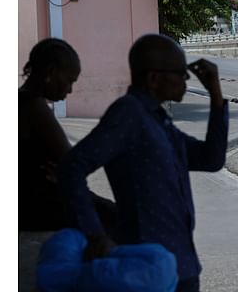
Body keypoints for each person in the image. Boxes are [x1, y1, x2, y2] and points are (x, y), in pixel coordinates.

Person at [57, 34, 228, 292]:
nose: (185, 80)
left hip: (181, 264)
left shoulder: (159, 121)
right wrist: (95, 234)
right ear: (154, 79)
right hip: (146, 269)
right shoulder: (128, 114)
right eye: (180, 74)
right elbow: (72, 166)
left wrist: (216, 95)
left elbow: (210, 159)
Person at [19, 38, 116, 231]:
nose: (70, 89)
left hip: (33, 203)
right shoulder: (34, 106)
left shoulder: (22, 101)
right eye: (69, 80)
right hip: (41, 207)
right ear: (52, 72)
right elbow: (72, 162)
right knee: (119, 217)